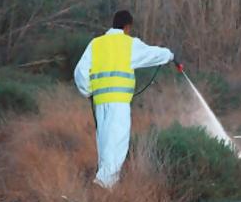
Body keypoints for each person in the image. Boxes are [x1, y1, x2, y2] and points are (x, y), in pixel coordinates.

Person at [74, 10, 175, 189]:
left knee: (105, 145)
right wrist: (170, 55)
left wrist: (88, 91)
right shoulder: (128, 44)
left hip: (99, 103)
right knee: (117, 145)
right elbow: (152, 54)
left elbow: (80, 72)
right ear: (127, 27)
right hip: (118, 103)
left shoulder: (96, 44)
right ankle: (102, 186)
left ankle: (106, 190)